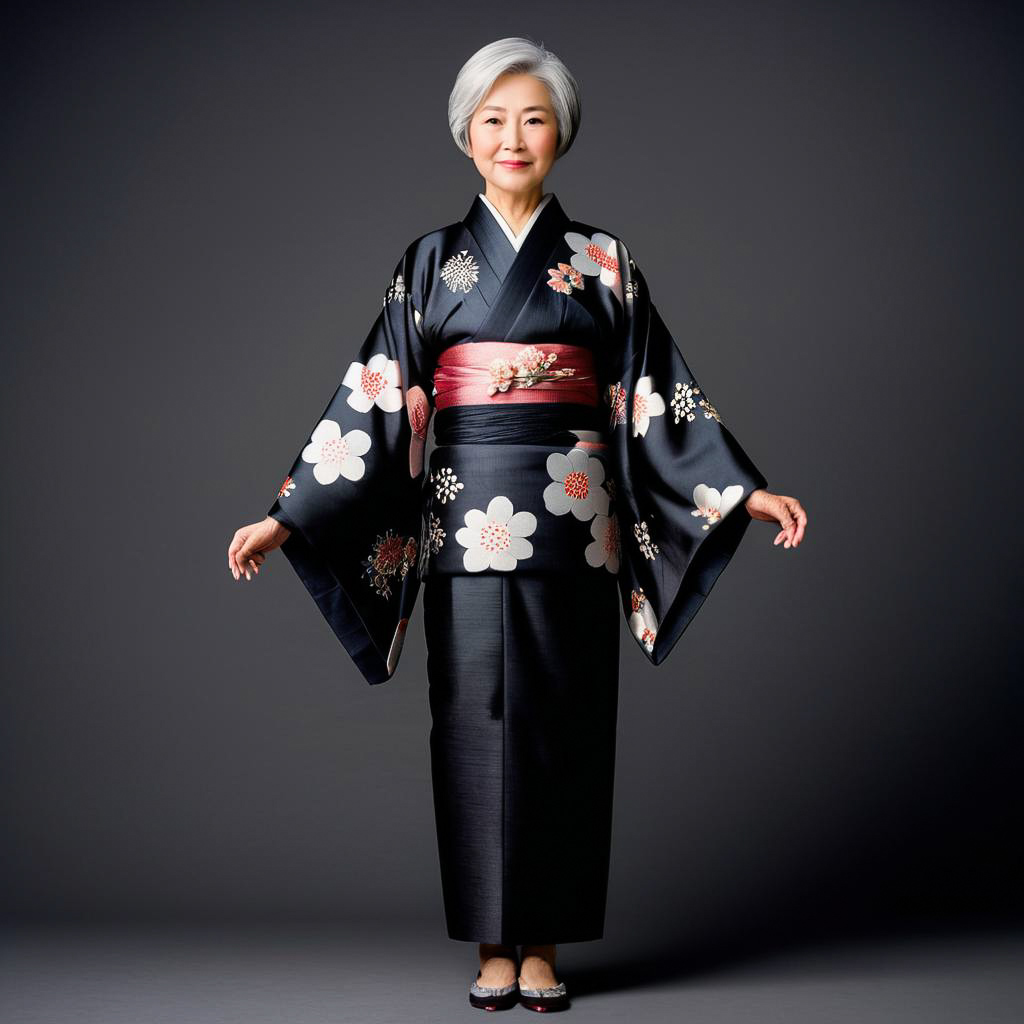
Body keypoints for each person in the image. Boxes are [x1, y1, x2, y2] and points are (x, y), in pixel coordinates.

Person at [227, 36, 807, 1013]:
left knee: (562, 734)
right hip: (467, 528)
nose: (512, 136)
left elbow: (653, 392)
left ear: (560, 135)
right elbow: (375, 400)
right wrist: (292, 513)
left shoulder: (602, 261)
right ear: (465, 135)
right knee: (472, 729)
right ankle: (494, 944)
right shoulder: (429, 262)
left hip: (576, 532)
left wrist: (736, 488)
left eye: (532, 118)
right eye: (493, 119)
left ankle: (543, 946)